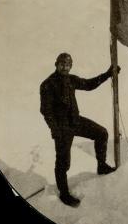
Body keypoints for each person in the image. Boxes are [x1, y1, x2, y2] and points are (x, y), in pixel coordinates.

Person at [40, 53, 120, 207]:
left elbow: (89, 84)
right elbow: (46, 111)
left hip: (76, 121)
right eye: (62, 64)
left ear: (71, 66)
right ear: (56, 64)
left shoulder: (71, 79)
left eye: (68, 64)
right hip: (62, 127)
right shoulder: (47, 84)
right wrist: (55, 130)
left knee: (101, 133)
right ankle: (64, 194)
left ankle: (101, 166)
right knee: (63, 163)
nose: (65, 67)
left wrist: (108, 74)